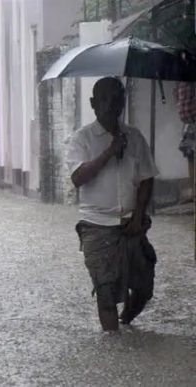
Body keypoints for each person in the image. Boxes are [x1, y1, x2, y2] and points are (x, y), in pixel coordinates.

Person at [67, 77, 159, 332]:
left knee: (143, 289)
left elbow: (147, 178)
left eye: (118, 98)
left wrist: (139, 216)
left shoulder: (135, 137)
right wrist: (109, 151)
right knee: (106, 292)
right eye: (106, 99)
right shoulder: (81, 138)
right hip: (96, 226)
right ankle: (112, 344)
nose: (112, 104)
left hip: (132, 223)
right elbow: (77, 178)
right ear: (94, 104)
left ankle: (125, 324)